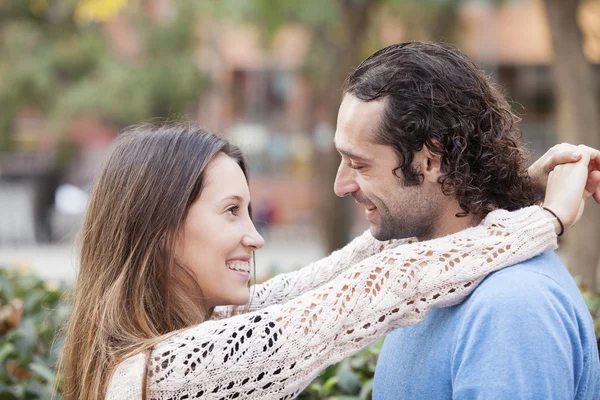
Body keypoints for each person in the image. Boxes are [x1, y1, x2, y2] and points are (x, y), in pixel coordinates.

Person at [55, 122, 595, 400]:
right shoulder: (171, 372)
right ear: (161, 228)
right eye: (231, 212)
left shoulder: (162, 346)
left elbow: (336, 274)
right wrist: (549, 217)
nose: (255, 237)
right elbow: (382, 287)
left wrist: (504, 194)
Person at [331, 41, 600, 399]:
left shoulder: (511, 307)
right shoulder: (428, 276)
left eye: (359, 164)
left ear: (431, 160)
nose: (340, 185)